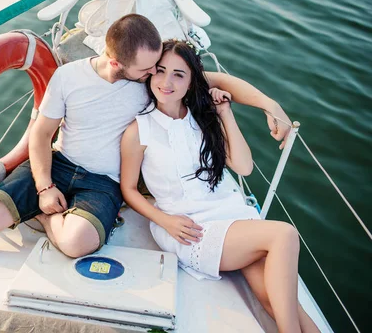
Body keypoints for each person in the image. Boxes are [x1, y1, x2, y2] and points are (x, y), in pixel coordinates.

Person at [0, 14, 292, 320]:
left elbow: (217, 80)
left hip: (103, 183)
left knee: (76, 242)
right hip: (58, 163)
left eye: (160, 69)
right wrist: (42, 182)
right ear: (117, 62)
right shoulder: (69, 78)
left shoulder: (152, 85)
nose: (157, 76)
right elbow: (39, 135)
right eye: (148, 69)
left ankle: (42, 213)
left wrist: (270, 105)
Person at [120, 39, 320, 333]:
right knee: (284, 234)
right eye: (160, 71)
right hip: (190, 227)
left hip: (232, 214)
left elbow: (243, 167)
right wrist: (165, 221)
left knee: (276, 300)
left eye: (179, 74)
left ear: (192, 82)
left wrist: (225, 113)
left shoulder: (202, 117)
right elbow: (129, 189)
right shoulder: (138, 131)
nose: (166, 82)